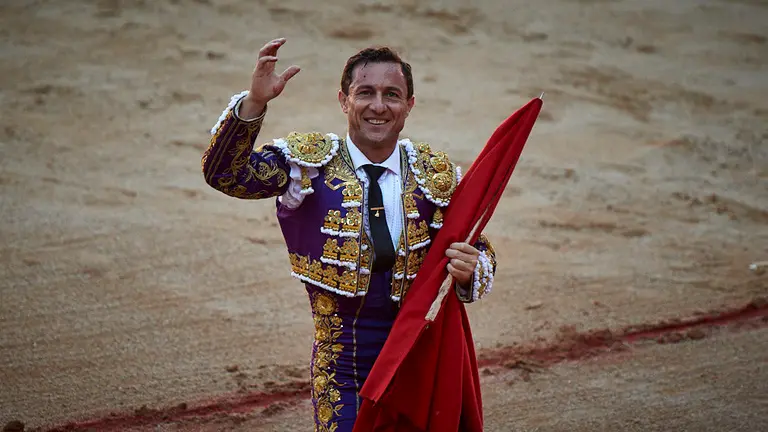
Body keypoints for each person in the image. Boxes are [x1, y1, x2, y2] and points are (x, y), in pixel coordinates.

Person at [201, 38, 496, 432]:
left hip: (420, 358)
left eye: (392, 95)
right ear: (344, 100)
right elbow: (226, 175)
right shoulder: (306, 165)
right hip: (342, 366)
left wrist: (471, 269)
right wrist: (254, 103)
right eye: (365, 93)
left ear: (409, 105)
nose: (378, 106)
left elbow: (478, 247)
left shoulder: (435, 175)